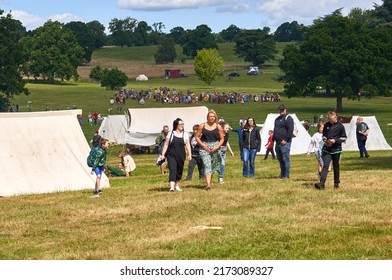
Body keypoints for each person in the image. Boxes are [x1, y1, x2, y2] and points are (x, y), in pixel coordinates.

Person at [315, 111, 347, 190]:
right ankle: (322, 183)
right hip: (327, 149)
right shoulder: (326, 125)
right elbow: (324, 136)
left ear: (335, 117)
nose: (330, 120)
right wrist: (325, 140)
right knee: (325, 165)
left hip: (336, 149)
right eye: (328, 118)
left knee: (336, 166)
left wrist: (335, 141)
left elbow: (344, 138)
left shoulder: (340, 126)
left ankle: (336, 183)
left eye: (331, 119)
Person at [195, 109, 224, 190]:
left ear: (215, 118)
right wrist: (203, 145)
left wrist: (217, 147)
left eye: (213, 116)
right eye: (210, 116)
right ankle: (208, 185)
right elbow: (197, 137)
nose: (212, 118)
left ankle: (209, 181)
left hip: (215, 146)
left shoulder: (218, 126)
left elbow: (222, 139)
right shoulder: (202, 125)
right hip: (205, 147)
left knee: (213, 165)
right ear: (207, 117)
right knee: (207, 165)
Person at [160, 118, 192, 192]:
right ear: (176, 125)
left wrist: (190, 154)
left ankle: (177, 185)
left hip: (181, 155)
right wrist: (163, 154)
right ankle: (171, 187)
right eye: (180, 124)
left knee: (179, 170)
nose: (182, 126)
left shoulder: (185, 134)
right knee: (173, 169)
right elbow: (166, 144)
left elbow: (188, 145)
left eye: (183, 124)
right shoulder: (171, 133)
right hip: (171, 155)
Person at [273, 104, 294, 179]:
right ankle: (282, 174)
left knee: (285, 158)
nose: (281, 111)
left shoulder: (288, 118)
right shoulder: (277, 119)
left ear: (285, 110)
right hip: (277, 142)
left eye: (282, 109)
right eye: (280, 110)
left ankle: (286, 175)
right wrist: (273, 140)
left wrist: (285, 139)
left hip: (285, 142)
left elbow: (290, 130)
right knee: (280, 159)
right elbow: (275, 130)